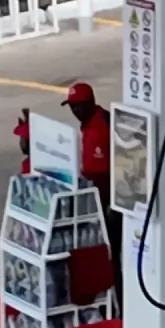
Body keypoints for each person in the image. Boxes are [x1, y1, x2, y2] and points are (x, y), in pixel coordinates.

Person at [65, 82, 118, 252]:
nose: (74, 111)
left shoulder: (102, 128)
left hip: (105, 199)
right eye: (71, 107)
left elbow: (106, 173)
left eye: (77, 106)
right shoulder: (91, 122)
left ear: (89, 103)